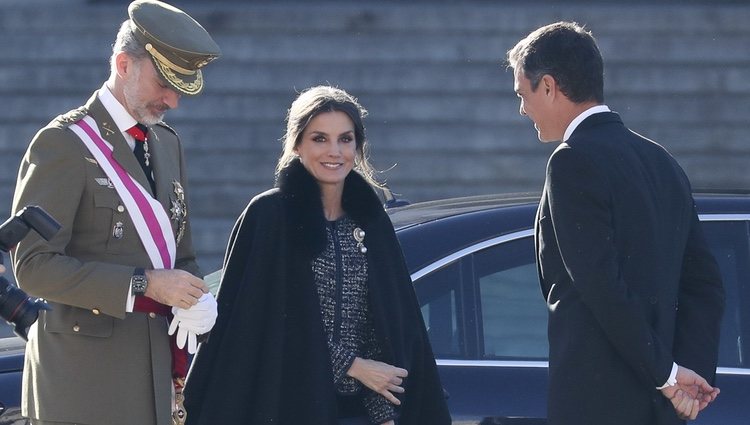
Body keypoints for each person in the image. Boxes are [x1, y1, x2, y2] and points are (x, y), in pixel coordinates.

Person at [183, 85, 451, 425]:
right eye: (319, 138)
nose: (334, 151)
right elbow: (260, 326)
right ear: (297, 144)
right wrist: (352, 366)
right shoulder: (269, 216)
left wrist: (384, 413)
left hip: (355, 413)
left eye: (345, 139)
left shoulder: (371, 220)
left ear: (358, 146)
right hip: (283, 406)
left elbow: (385, 325)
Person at [11, 1, 221, 424]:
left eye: (180, 88)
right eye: (164, 82)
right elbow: (32, 267)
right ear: (124, 64)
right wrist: (143, 283)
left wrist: (198, 298)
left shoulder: (166, 143)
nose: (173, 101)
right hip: (83, 378)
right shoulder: (64, 143)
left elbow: (179, 253)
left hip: (157, 371)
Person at [506, 22, 725, 425]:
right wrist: (685, 378)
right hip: (663, 410)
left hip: (595, 404)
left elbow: (601, 285)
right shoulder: (663, 161)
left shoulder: (571, 160)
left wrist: (671, 376)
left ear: (549, 87)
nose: (523, 109)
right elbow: (705, 284)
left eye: (524, 94)